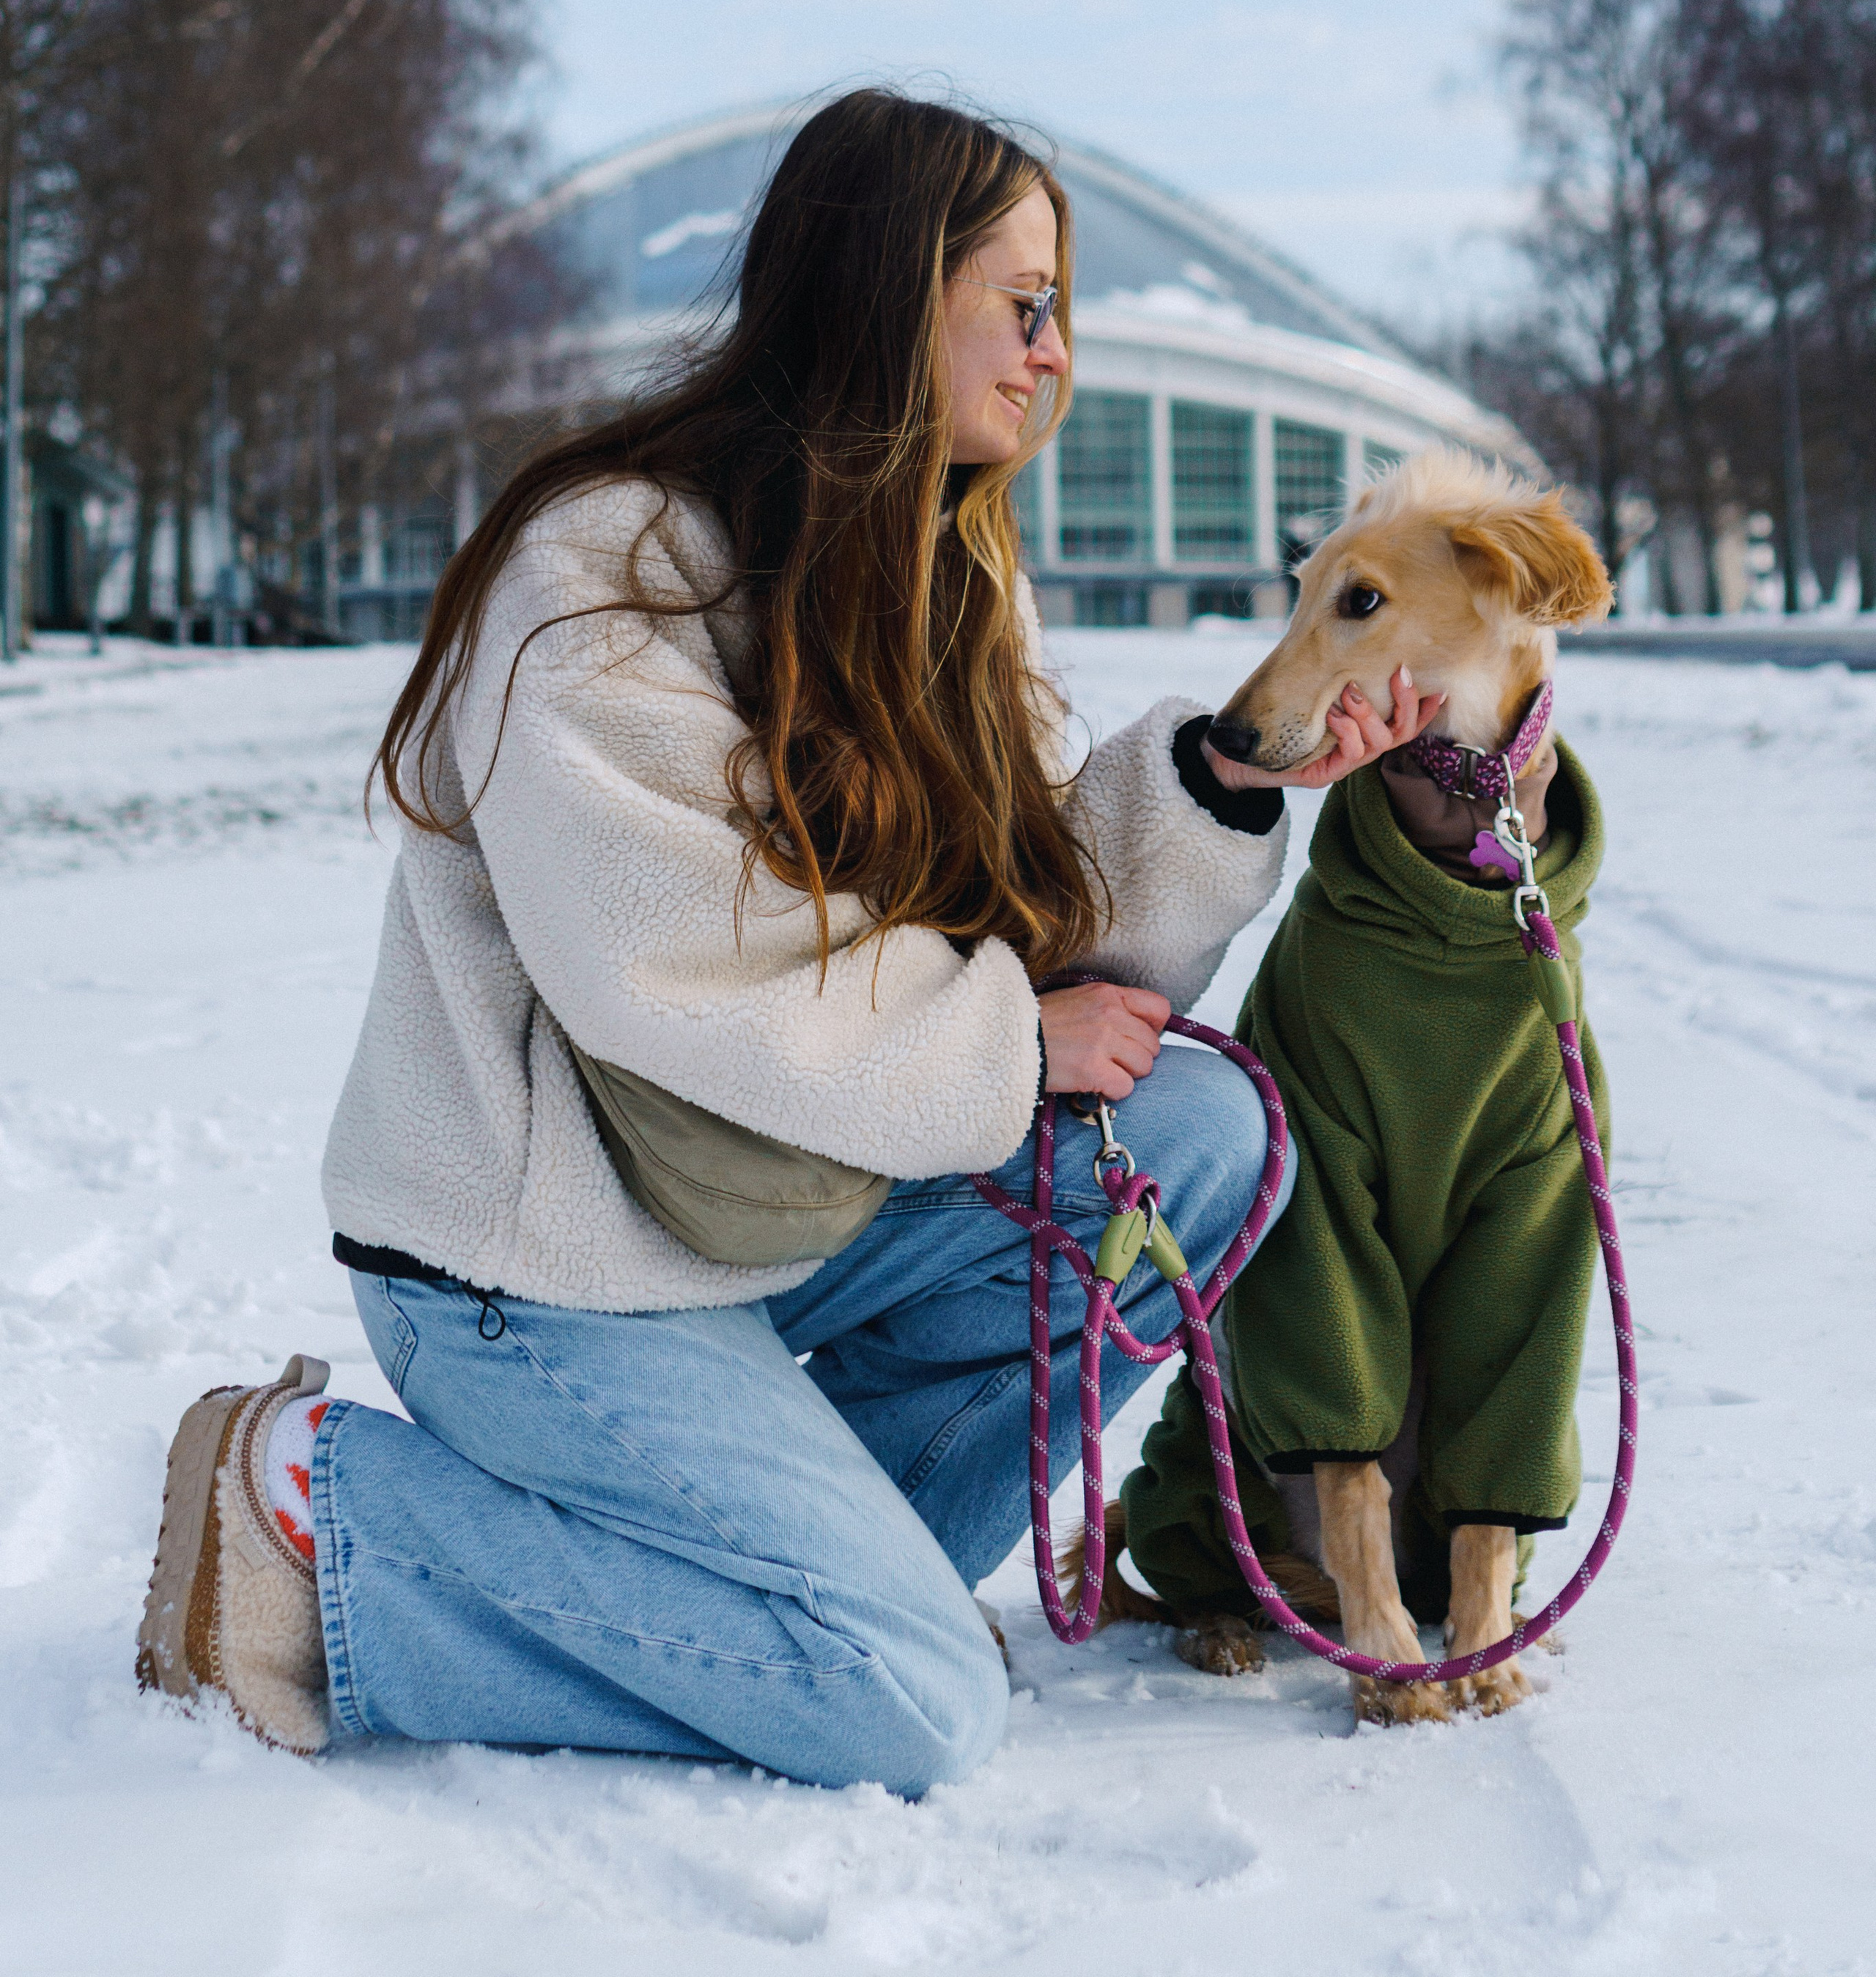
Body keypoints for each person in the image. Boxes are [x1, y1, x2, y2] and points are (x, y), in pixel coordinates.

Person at [136, 89, 1439, 1789]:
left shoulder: (945, 578)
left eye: (1063, 314)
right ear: (890, 292)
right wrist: (999, 1044)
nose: (1054, 356)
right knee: (908, 1700)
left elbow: (1025, 920)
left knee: (1198, 1136)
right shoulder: (606, 566)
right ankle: (321, 1521)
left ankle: (822, 1595)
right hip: (547, 1268)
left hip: (772, 1196)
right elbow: (667, 963)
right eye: (1021, 305)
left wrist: (1222, 778)